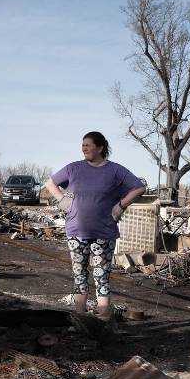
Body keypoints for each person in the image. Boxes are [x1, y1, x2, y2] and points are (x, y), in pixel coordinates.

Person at [44, 131, 147, 319]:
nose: (84, 148)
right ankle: (80, 318)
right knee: (79, 276)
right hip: (76, 232)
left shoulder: (115, 171)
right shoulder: (73, 168)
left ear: (100, 148)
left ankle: (103, 320)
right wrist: (63, 202)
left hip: (104, 233)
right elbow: (50, 183)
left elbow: (139, 187)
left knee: (102, 277)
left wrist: (120, 206)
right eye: (82, 145)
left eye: (88, 145)